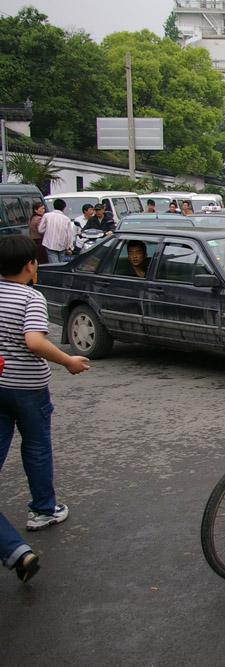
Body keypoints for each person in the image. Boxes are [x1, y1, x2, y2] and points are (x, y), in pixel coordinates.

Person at [0, 234, 89, 584]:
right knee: (36, 447)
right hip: (29, 389)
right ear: (30, 266)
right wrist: (67, 360)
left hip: (1, 385)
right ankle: (43, 509)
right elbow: (34, 341)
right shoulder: (30, 296)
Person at [38, 198, 76, 264]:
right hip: (62, 245)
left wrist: (48, 231)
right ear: (64, 208)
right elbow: (69, 235)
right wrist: (69, 247)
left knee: (54, 264)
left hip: (50, 243)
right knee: (61, 264)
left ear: (54, 206)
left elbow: (40, 230)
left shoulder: (47, 216)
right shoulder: (66, 219)